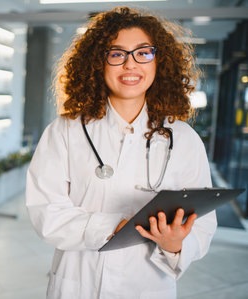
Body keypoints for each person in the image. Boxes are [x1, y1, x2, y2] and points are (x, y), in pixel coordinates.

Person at [25, 7, 217, 299]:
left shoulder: (184, 139)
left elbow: (202, 225)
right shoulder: (64, 130)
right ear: (97, 63)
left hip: (148, 285)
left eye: (143, 53)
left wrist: (175, 244)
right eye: (116, 54)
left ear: (158, 62)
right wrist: (113, 226)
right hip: (79, 282)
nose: (130, 65)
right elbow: (46, 211)